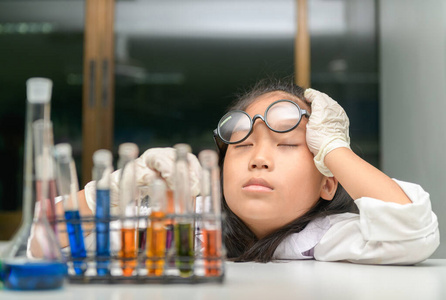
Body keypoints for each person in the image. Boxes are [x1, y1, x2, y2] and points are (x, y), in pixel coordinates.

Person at [73, 77, 439, 265]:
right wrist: (109, 194)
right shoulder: (186, 223)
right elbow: (44, 239)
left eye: (288, 144)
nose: (258, 159)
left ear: (328, 183)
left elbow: (413, 231)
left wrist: (333, 149)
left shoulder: (328, 236)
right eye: (243, 145)